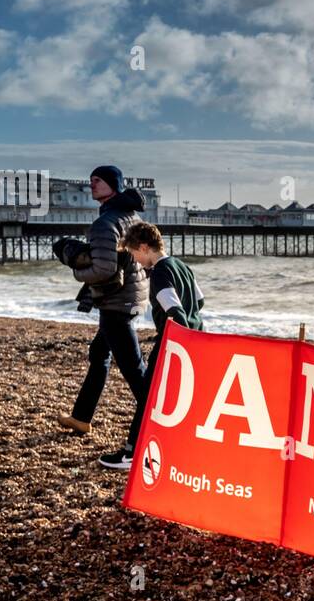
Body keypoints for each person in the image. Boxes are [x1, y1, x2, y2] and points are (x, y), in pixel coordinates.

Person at [97, 220, 204, 470]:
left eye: (134, 253)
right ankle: (174, 448)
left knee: (148, 397)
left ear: (144, 247)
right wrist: (194, 333)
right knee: (170, 399)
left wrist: (178, 334)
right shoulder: (183, 266)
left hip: (172, 344)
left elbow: (174, 310)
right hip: (193, 342)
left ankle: (132, 454)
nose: (135, 260)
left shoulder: (160, 272)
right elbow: (199, 301)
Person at [54, 166, 150, 436]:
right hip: (131, 298)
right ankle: (81, 417)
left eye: (98, 181)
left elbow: (104, 270)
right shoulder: (132, 218)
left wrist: (75, 270)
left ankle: (157, 422)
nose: (92, 185)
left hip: (115, 304)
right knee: (99, 354)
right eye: (91, 181)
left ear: (113, 186)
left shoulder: (105, 224)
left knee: (135, 370)